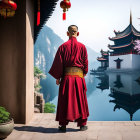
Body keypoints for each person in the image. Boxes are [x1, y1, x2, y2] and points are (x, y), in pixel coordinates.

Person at [48, 25, 89, 132]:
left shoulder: (62, 47)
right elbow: (85, 64)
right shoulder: (83, 47)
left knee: (64, 101)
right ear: (78, 33)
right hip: (79, 78)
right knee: (80, 101)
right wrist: (82, 74)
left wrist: (58, 77)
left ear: (67, 33)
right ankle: (82, 125)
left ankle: (63, 125)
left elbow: (58, 63)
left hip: (66, 78)